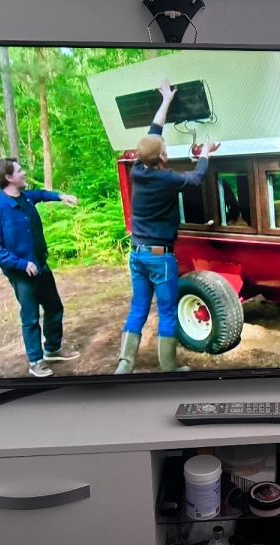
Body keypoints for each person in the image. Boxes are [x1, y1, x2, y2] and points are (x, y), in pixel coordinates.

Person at [115, 79, 213, 374]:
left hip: (137, 254)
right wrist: (205, 154)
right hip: (160, 258)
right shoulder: (167, 179)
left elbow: (154, 131)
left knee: (138, 308)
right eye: (165, 149)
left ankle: (124, 364)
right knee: (168, 311)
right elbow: (197, 178)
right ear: (163, 157)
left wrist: (166, 100)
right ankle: (169, 367)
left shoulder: (137, 170)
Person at [0, 159, 80, 378]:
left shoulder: (24, 197)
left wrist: (61, 197)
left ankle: (52, 349)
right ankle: (36, 361)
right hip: (21, 273)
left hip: (40, 265)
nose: (23, 173)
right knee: (31, 317)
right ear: (8, 178)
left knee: (54, 307)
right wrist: (20, 264)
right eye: (19, 171)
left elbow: (39, 195)